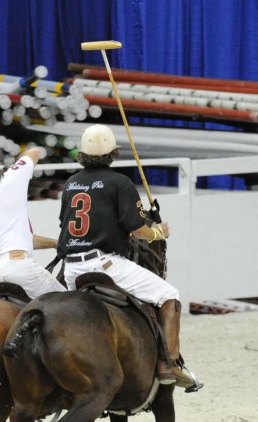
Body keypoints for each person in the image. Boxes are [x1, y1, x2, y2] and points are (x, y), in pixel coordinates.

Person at [57, 124, 197, 389]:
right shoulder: (120, 182)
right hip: (105, 264)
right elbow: (136, 229)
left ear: (82, 153)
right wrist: (157, 233)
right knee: (169, 295)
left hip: (72, 269)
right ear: (113, 153)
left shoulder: (71, 182)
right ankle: (170, 363)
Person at [0, 148, 66, 299]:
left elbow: (20, 239)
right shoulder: (10, 179)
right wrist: (12, 167)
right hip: (17, 266)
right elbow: (35, 152)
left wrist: (54, 243)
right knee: (70, 304)